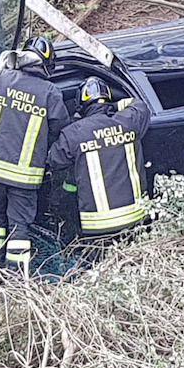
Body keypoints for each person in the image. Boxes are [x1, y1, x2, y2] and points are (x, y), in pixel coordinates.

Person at [0, 36, 69, 278]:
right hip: (24, 178)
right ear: (46, 65)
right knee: (19, 227)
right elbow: (60, 128)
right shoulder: (50, 93)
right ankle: (16, 280)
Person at [47, 77, 151, 246]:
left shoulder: (74, 133)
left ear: (81, 104)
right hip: (136, 219)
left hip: (98, 227)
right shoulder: (128, 121)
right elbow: (139, 104)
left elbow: (53, 160)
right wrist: (115, 106)